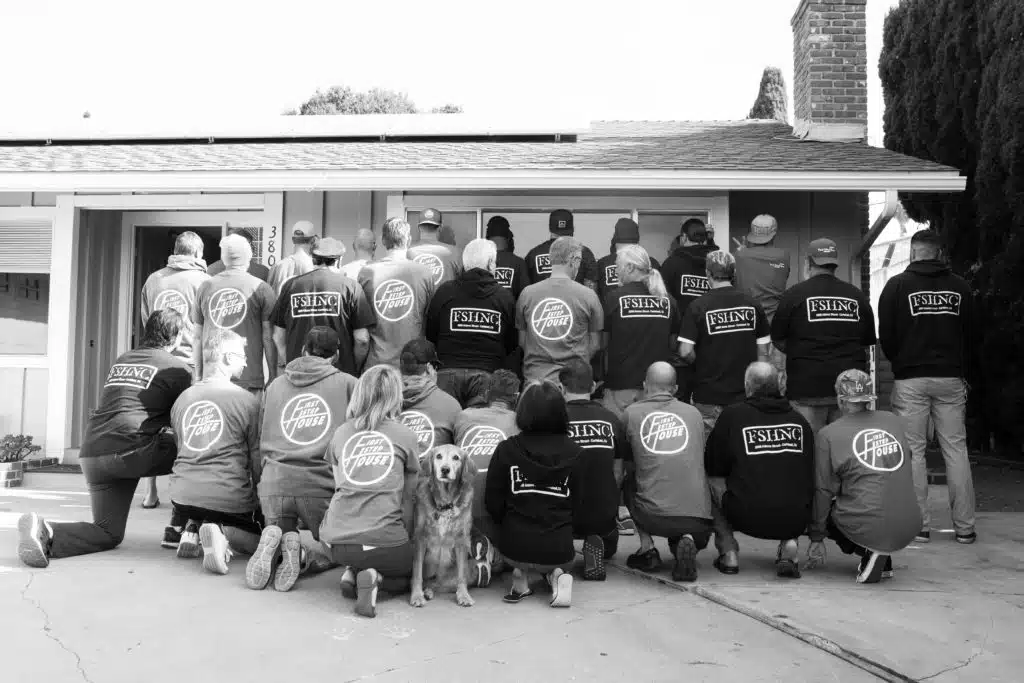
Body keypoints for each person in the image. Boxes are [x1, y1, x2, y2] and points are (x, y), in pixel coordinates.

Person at [17, 310, 192, 568]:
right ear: (176, 336)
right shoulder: (177, 368)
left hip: (93, 453)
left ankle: (45, 532)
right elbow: (190, 417)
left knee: (108, 532)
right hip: (132, 451)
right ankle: (186, 527)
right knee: (198, 450)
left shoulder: (123, 360)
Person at [878, 229, 976, 544]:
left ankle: (919, 526)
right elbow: (974, 334)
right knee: (956, 450)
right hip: (950, 376)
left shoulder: (896, 287)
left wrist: (901, 363)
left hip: (911, 378)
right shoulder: (960, 288)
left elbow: (887, 335)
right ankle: (965, 528)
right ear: (939, 253)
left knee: (914, 452)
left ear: (914, 252)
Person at [248, 326, 358, 592]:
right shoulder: (348, 384)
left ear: (303, 351)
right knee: (343, 555)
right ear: (336, 355)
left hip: (274, 487)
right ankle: (302, 556)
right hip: (320, 489)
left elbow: (257, 442)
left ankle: (278, 539)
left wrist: (259, 484)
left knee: (278, 532)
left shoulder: (274, 385)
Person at [485, 380, 601, 608]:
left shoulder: (506, 449)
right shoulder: (578, 454)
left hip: (514, 547)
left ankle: (520, 577)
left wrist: (508, 524)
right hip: (560, 548)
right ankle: (555, 574)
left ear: (523, 412)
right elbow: (582, 506)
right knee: (557, 559)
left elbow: (493, 501)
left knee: (519, 556)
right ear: (561, 413)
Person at [319, 365, 420, 618]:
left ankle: (353, 571)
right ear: (395, 397)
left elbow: (340, 486)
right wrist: (406, 540)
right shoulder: (406, 436)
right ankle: (374, 578)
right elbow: (408, 499)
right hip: (382, 542)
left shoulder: (341, 433)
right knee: (418, 571)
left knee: (363, 548)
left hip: (333, 542)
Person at [806, 370, 922, 584]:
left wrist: (816, 536)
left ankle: (870, 550)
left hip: (869, 523)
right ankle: (882, 559)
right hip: (910, 523)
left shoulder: (828, 435)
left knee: (822, 505)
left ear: (841, 400)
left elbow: (823, 489)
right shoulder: (892, 420)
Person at [704, 362, 814, 577]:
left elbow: (714, 467)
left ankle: (728, 552)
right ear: (780, 384)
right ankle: (789, 544)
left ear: (747, 385)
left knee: (705, 480)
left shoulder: (732, 416)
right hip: (795, 519)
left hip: (745, 515)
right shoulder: (799, 421)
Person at [168, 329, 262, 576]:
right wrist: (262, 500)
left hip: (182, 498)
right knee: (264, 541)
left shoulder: (182, 399)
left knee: (202, 499)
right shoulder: (248, 401)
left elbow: (181, 449)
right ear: (228, 358)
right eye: (242, 356)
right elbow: (256, 461)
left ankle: (193, 528)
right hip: (228, 500)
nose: (246, 361)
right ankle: (222, 535)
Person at [771, 238, 877, 434]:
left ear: (808, 263)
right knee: (847, 448)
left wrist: (799, 351)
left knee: (812, 448)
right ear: (834, 264)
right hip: (850, 390)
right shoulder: (856, 296)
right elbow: (867, 340)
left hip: (807, 388)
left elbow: (777, 338)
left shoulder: (794, 295)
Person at [138, 230, 210, 509]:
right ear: (197, 254)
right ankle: (184, 491)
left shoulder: (153, 280)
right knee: (188, 427)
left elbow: (148, 321)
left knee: (154, 423)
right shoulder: (204, 281)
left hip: (156, 359)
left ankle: (151, 491)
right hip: (190, 364)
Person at [622, 362, 712, 582]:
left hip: (653, 517)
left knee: (628, 479)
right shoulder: (694, 414)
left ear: (645, 385)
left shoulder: (631, 413)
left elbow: (626, 461)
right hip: (699, 522)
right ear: (675, 388)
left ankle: (647, 548)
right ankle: (687, 538)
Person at [678, 250, 771, 434]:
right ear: (734, 273)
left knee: (709, 453)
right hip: (744, 396)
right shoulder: (752, 304)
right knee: (740, 450)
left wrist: (703, 364)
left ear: (707, 274)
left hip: (707, 395)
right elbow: (764, 353)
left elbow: (685, 351)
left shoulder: (698, 306)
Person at [426, 238, 517, 408]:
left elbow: (430, 333)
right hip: (487, 377)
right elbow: (512, 343)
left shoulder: (445, 292)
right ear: (491, 263)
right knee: (476, 431)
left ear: (465, 264)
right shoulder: (504, 297)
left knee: (445, 429)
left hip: (447, 375)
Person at [559, 359, 627, 580]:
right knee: (609, 550)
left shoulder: (554, 421)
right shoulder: (611, 420)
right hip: (602, 514)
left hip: (563, 513)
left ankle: (561, 551)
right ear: (593, 387)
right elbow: (618, 474)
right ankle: (595, 540)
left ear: (561, 388)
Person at [270, 237, 374, 377]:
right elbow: (362, 339)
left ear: (313, 258)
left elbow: (277, 336)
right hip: (339, 375)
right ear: (338, 260)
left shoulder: (291, 286)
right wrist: (352, 367)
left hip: (299, 375)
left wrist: (290, 362)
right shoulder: (351, 287)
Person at [193, 233, 278, 396]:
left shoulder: (205, 287)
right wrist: (273, 375)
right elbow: (268, 337)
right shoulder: (261, 288)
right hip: (249, 378)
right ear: (249, 257)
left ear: (224, 259)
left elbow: (197, 337)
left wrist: (198, 375)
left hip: (212, 378)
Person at [602, 244, 679, 420]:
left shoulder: (614, 298)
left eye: (618, 267)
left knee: (621, 441)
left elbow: (602, 343)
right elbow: (673, 344)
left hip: (621, 387)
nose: (616, 272)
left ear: (629, 267)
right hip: (657, 389)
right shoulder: (668, 301)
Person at [516, 237, 603, 383]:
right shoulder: (589, 296)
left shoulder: (527, 294)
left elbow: (523, 341)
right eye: (579, 261)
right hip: (574, 385)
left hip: (536, 382)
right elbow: (595, 345)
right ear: (574, 260)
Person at [453, 369, 521, 550]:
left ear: (486, 394)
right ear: (516, 397)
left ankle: (482, 554)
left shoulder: (463, 416)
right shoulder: (520, 423)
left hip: (460, 517)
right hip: (500, 520)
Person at [357, 217, 436, 368]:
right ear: (409, 240)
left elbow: (361, 327)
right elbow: (431, 320)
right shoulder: (425, 273)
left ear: (383, 240)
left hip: (376, 365)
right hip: (414, 366)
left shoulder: (366, 273)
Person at [660, 218, 718, 401]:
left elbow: (663, 300)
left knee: (680, 397)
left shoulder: (672, 263)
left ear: (684, 237)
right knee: (710, 400)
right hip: (713, 339)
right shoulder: (717, 263)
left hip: (681, 342)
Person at [398, 339, 462, 455]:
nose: (437, 372)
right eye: (436, 367)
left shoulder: (384, 401)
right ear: (428, 368)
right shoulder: (450, 405)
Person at [734, 215, 792, 323]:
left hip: (746, 320)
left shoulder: (740, 255)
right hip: (774, 321)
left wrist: (743, 251)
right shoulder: (784, 256)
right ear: (774, 233)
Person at [524, 209, 599, 290]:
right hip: (574, 302)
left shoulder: (534, 254)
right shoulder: (584, 252)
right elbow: (591, 289)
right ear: (572, 229)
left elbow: (526, 289)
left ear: (550, 228)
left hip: (542, 302)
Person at [595, 218, 662, 304]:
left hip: (611, 313)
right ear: (637, 240)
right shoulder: (652, 262)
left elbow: (595, 296)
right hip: (650, 313)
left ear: (615, 239)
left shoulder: (602, 263)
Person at [660, 218, 717, 315]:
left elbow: (663, 296)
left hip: (682, 326)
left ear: (684, 237)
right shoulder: (715, 263)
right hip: (710, 324)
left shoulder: (672, 263)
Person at [408, 208, 462, 287]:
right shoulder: (455, 252)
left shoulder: (406, 252)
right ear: (440, 228)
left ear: (418, 227)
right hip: (446, 298)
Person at [485, 215, 529, 301]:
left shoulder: (477, 261)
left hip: (484, 313)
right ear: (509, 237)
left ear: (487, 237)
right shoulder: (518, 263)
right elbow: (525, 297)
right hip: (510, 313)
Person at [267, 223, 318, 295]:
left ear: (293, 239)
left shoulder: (277, 266)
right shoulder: (314, 267)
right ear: (313, 240)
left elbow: (269, 298)